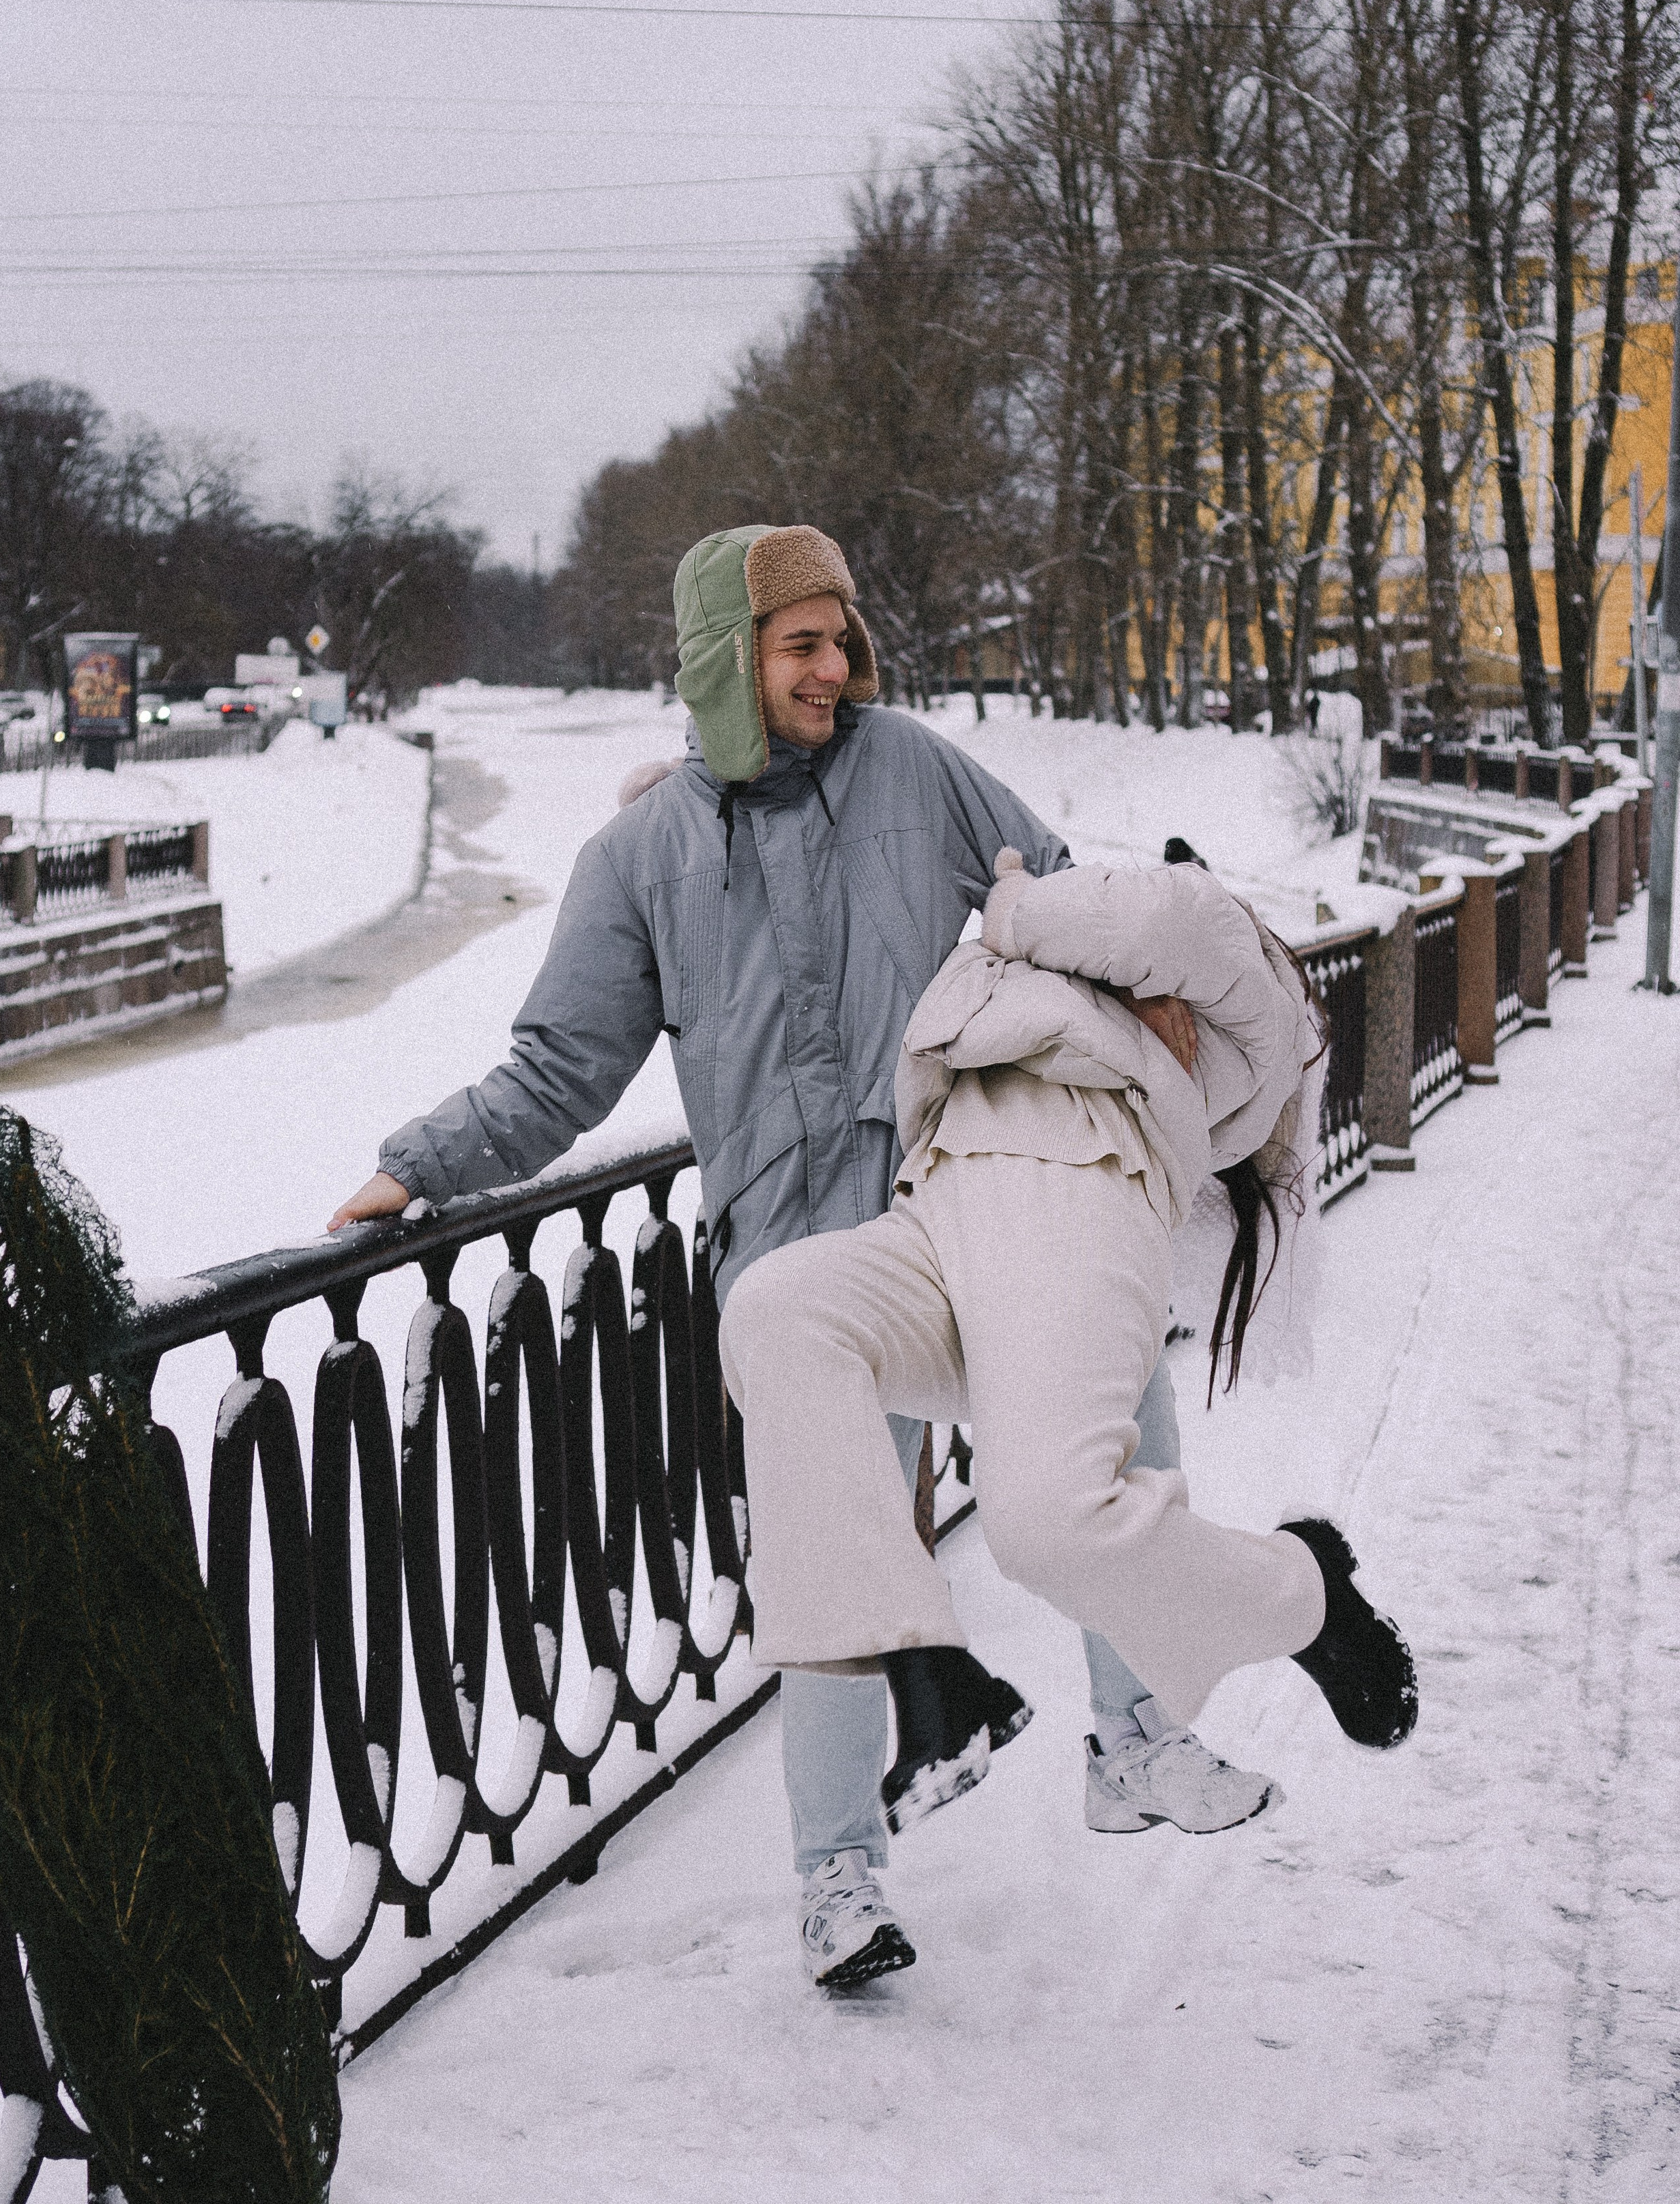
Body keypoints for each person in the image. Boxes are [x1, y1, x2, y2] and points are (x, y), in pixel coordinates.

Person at [328, 523, 1281, 1991]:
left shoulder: (917, 771)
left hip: (967, 1197)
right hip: (800, 1248)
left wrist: (1149, 994)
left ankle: (1135, 1730)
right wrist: (418, 1168)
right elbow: (560, 1065)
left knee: (1115, 1407)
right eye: (802, 645)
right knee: (836, 1557)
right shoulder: (639, 857)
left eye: (843, 640)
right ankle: (837, 1877)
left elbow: (1069, 898)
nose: (835, 668)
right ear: (728, 657)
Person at [719, 847, 1419, 1834]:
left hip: (1078, 1192)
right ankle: (923, 1664)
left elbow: (1134, 917)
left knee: (1046, 1524)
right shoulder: (1095, 978)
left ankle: (1307, 1594)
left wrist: (1007, 903)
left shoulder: (1220, 943)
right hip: (938, 1198)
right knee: (776, 1311)